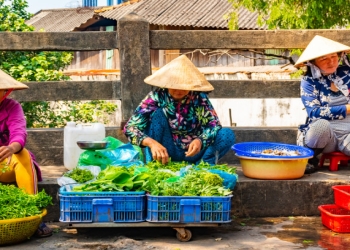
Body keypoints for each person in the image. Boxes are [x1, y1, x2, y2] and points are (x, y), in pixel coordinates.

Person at [123, 55, 235, 165]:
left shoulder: (199, 97)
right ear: (167, 84)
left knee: (227, 134)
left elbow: (214, 126)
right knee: (157, 115)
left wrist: (200, 140)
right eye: (174, 85)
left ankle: (202, 165)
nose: (179, 90)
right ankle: (156, 165)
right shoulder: (156, 96)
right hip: (165, 151)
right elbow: (130, 128)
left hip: (194, 152)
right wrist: (152, 143)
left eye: (184, 86)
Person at [0, 69, 53, 237]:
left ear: (5, 92)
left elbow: (19, 133)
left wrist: (10, 148)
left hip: (6, 164)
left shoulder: (12, 107)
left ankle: (33, 216)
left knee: (23, 155)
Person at [294, 35, 350, 174]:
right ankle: (308, 159)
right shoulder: (309, 81)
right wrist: (347, 109)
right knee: (321, 125)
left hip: (348, 133)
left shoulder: (347, 74)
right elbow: (314, 112)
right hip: (324, 136)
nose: (331, 62)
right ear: (313, 63)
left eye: (334, 56)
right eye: (324, 59)